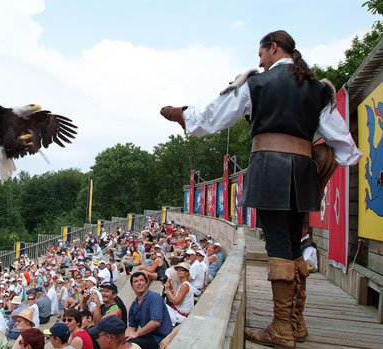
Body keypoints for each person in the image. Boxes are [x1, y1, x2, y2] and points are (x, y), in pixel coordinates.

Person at [160, 30, 362, 348]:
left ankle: (282, 329)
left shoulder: (255, 83)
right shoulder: (318, 88)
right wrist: (318, 170)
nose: (259, 60)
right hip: (303, 171)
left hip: (270, 169)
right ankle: (296, 321)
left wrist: (181, 115)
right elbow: (342, 143)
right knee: (294, 243)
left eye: (261, 53)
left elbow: (211, 118)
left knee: (279, 244)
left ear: (273, 48)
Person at [126, 272, 172, 349]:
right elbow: (132, 326)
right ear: (132, 286)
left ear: (147, 283)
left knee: (130, 346)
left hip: (160, 338)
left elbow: (155, 322)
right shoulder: (134, 305)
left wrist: (137, 333)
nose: (139, 283)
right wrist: (123, 339)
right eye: (136, 281)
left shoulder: (154, 297)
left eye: (141, 280)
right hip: (147, 337)